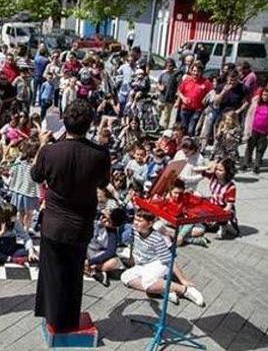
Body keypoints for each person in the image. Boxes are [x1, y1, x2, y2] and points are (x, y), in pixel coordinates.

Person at [30, 99, 110, 332]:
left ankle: (51, 315)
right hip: (80, 222)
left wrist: (42, 145)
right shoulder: (100, 154)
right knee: (74, 275)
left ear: (64, 122)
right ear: (90, 124)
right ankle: (67, 319)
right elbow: (104, 182)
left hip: (54, 222)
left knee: (51, 271)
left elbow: (36, 175)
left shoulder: (50, 151)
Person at [121, 209, 205, 307]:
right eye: (135, 219)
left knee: (148, 282)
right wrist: (131, 259)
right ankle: (163, 289)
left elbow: (169, 260)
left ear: (149, 224)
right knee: (125, 277)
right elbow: (132, 244)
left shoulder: (156, 239)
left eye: (140, 221)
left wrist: (183, 279)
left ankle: (184, 290)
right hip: (142, 264)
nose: (135, 223)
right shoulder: (134, 231)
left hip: (158, 264)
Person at [177, 62, 213, 136]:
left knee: (191, 129)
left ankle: (190, 144)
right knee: (183, 128)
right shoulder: (186, 80)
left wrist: (206, 100)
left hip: (197, 109)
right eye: (194, 71)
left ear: (201, 72)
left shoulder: (206, 82)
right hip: (185, 108)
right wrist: (183, 98)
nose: (196, 73)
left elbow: (212, 93)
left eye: (198, 71)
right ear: (191, 71)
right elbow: (179, 91)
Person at [242, 84, 268, 173]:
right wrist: (247, 130)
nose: (265, 97)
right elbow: (249, 116)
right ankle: (246, 162)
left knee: (260, 149)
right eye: (264, 95)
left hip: (264, 132)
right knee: (250, 147)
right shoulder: (256, 103)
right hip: (253, 129)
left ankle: (256, 165)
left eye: (267, 96)